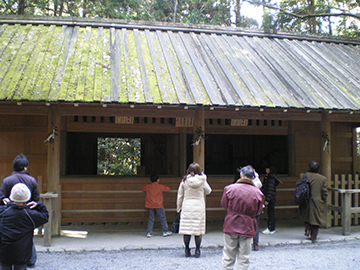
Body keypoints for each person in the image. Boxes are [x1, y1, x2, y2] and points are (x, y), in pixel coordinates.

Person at [0, 154, 40, 268]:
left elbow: (2, 198)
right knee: (27, 237)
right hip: (26, 213)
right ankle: (31, 259)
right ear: (25, 167)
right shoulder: (31, 180)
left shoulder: (7, 181)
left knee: (7, 236)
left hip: (9, 213)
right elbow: (36, 198)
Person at [221, 165, 264, 270]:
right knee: (244, 258)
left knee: (228, 257)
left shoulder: (229, 189)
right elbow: (258, 211)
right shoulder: (258, 193)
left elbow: (224, 204)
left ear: (241, 175)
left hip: (231, 223)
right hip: (248, 225)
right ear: (253, 178)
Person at [0, 183, 48, 270]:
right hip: (22, 253)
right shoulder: (30, 215)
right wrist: (38, 205)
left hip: (3, 250)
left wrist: (1, 200)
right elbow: (45, 216)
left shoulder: (3, 211)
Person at [176, 163, 212, 258]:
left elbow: (180, 195)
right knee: (197, 230)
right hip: (199, 206)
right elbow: (208, 191)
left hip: (187, 206)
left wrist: (178, 207)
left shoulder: (184, 180)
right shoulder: (202, 180)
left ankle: (187, 249)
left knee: (187, 230)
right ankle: (197, 250)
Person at [298, 160, 328, 242]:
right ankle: (313, 236)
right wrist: (324, 200)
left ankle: (307, 229)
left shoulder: (303, 176)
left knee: (306, 216)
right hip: (317, 201)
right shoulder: (323, 179)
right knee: (316, 220)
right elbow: (324, 192)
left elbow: (299, 186)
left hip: (305, 199)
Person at [261, 166, 282, 235]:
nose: (266, 170)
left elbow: (270, 189)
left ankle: (271, 227)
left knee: (271, 213)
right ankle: (270, 227)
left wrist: (267, 199)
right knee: (270, 213)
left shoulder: (271, 178)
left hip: (270, 197)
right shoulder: (268, 177)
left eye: (268, 169)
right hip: (270, 196)